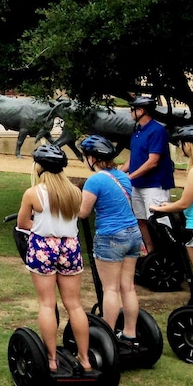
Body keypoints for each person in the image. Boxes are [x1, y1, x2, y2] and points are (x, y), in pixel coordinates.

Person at [16, 144, 95, 375]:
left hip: (44, 247)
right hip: (69, 246)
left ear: (40, 167)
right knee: (75, 304)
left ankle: (50, 359)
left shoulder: (34, 193)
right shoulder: (74, 192)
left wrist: (40, 227)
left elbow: (22, 223)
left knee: (47, 304)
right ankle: (84, 357)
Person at [78, 135, 143, 351]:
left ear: (92, 158)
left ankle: (108, 336)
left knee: (111, 289)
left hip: (111, 237)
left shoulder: (95, 180)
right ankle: (130, 333)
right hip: (133, 234)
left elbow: (83, 212)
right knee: (128, 287)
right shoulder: (122, 177)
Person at [150, 125, 193, 308]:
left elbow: (184, 203)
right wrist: (171, 205)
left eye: (182, 143)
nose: (181, 147)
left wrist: (161, 208)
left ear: (189, 145)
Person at [121, 96, 175, 253]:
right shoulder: (137, 131)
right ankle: (151, 252)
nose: (130, 112)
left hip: (154, 185)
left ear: (141, 111)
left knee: (159, 221)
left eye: (133, 109)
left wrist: (130, 177)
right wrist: (119, 174)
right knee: (140, 220)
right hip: (138, 185)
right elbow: (133, 158)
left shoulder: (156, 130)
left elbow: (153, 162)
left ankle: (169, 254)